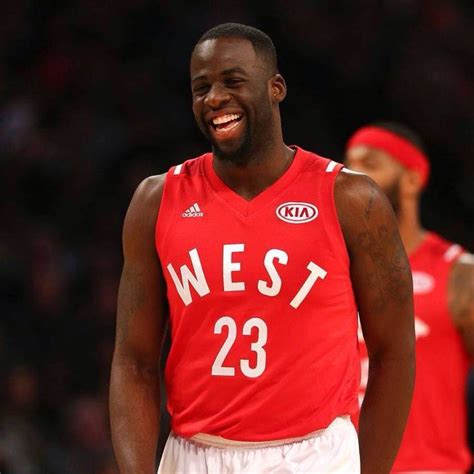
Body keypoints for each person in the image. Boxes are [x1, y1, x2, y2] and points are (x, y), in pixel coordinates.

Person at [110, 23, 415, 474]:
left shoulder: (351, 200)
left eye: (232, 81)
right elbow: (134, 361)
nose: (214, 98)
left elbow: (394, 352)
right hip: (193, 453)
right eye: (201, 88)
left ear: (276, 88)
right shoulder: (156, 201)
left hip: (313, 454)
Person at [346, 123, 474, 473]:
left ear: (412, 180)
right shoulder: (330, 270)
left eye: (370, 164)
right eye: (349, 164)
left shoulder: (459, 274)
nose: (352, 176)